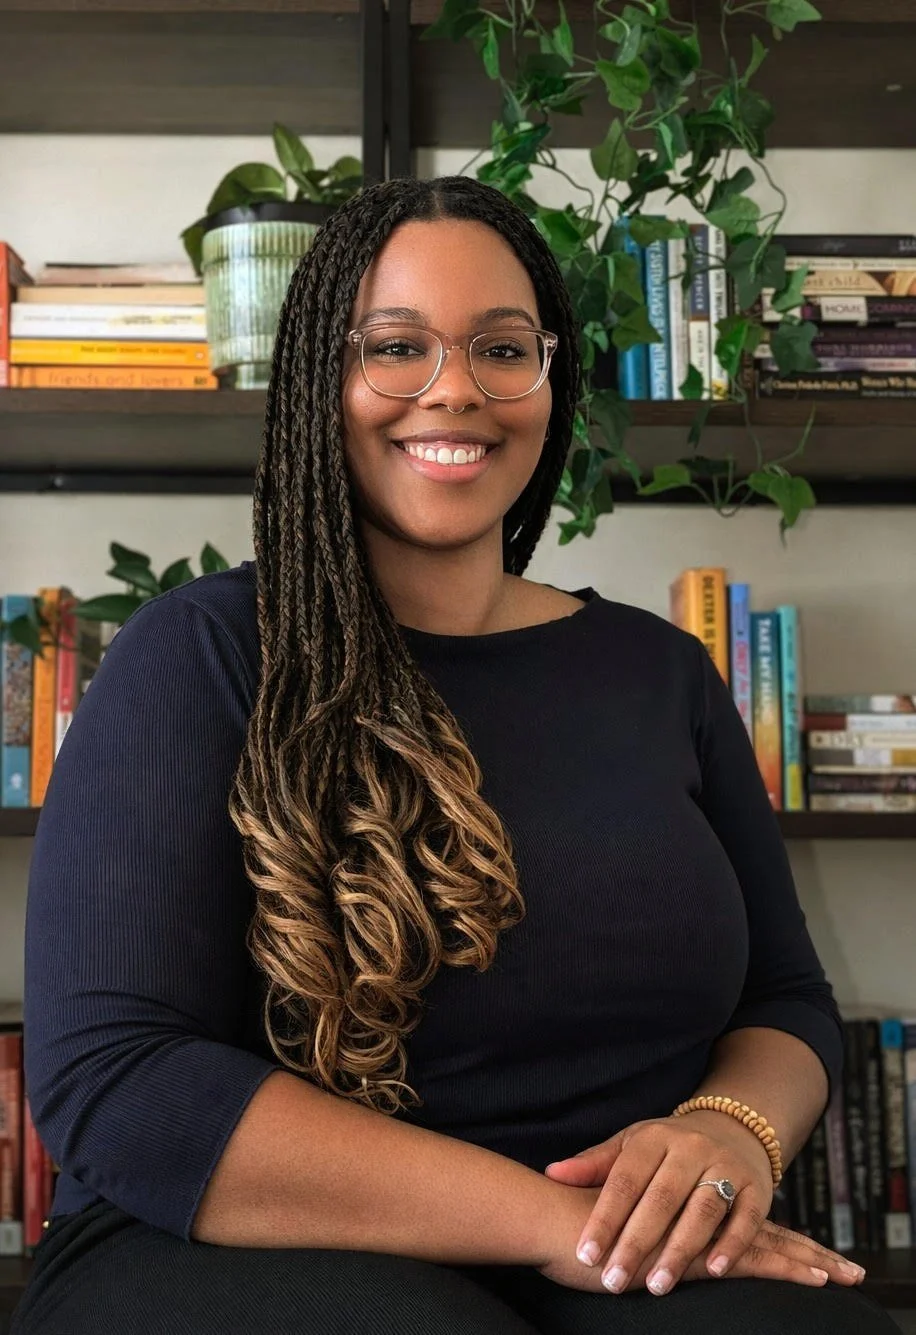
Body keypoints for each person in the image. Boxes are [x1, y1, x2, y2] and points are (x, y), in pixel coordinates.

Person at [11, 177, 900, 1335]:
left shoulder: (662, 675)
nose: (455, 389)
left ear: (549, 380)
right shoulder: (200, 655)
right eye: (396, 347)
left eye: (501, 348)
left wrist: (729, 1133)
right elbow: (119, 1079)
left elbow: (783, 998)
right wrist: (551, 1225)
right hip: (232, 1240)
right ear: (318, 383)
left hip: (607, 1247)